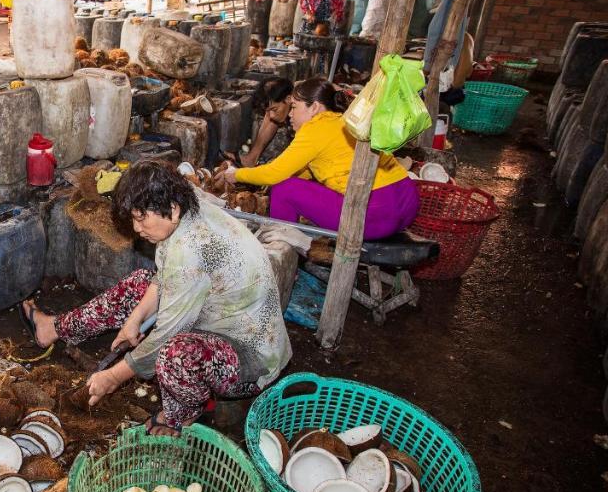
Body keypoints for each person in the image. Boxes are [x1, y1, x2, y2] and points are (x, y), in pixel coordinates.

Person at [21, 161, 291, 436]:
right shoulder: (184, 204)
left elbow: (166, 334)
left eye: (141, 219)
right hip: (215, 315)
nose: (137, 229)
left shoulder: (191, 249)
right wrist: (134, 321)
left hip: (251, 358)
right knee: (138, 284)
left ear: (171, 209)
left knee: (176, 355)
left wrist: (113, 377)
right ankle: (55, 328)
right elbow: (164, 277)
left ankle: (180, 416)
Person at [218, 78, 419, 241]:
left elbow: (276, 174)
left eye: (295, 107)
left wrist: (237, 175)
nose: (291, 114)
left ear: (314, 107)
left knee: (284, 188)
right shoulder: (341, 121)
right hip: (407, 203)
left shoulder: (315, 128)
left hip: (376, 214)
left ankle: (280, 249)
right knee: (290, 184)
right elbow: (299, 172)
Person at [240, 77, 295, 168]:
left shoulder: (304, 117)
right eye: (267, 111)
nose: (271, 115)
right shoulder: (273, 114)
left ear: (289, 99)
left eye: (274, 109)